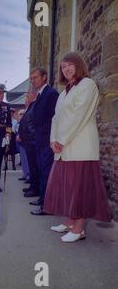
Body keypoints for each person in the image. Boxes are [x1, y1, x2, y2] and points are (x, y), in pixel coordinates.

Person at [44, 52, 112, 242]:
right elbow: (56, 119)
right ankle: (70, 221)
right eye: (63, 67)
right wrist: (52, 140)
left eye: (70, 65)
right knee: (68, 187)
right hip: (63, 146)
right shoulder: (64, 91)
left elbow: (79, 115)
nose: (66, 69)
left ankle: (79, 229)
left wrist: (61, 140)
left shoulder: (87, 85)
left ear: (79, 65)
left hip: (80, 145)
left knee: (79, 188)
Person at [28, 67, 59, 216]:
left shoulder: (51, 94)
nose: (32, 80)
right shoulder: (40, 95)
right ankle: (42, 200)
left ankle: (47, 206)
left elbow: (55, 119)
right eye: (31, 78)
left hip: (47, 140)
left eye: (35, 77)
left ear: (44, 77)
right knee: (42, 171)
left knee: (47, 172)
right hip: (40, 140)